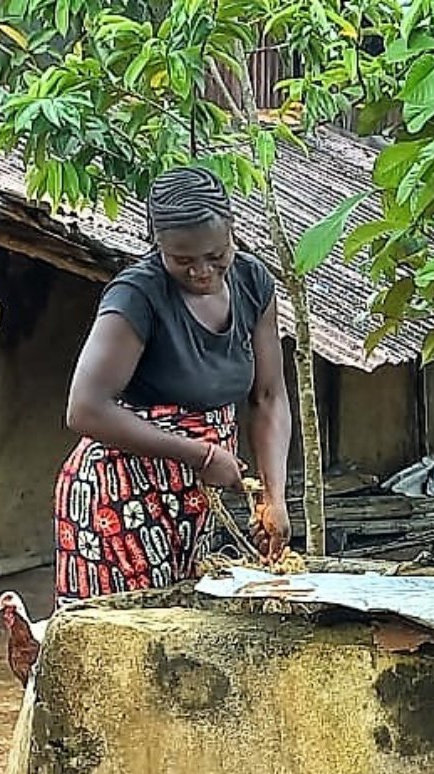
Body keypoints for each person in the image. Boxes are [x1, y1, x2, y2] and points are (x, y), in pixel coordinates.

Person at [54, 165, 292, 603]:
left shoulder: (253, 283)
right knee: (127, 632)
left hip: (192, 498)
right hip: (119, 498)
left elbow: (269, 395)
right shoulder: (137, 296)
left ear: (232, 231)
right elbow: (85, 408)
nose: (202, 271)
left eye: (216, 255)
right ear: (157, 245)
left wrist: (273, 496)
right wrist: (200, 454)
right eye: (183, 261)